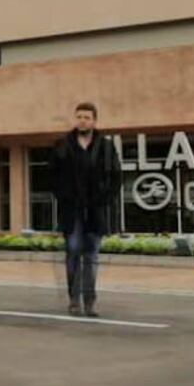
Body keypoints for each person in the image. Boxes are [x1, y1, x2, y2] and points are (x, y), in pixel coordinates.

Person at [47, 101, 120, 317]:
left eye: (87, 117)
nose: (82, 120)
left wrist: (104, 198)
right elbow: (52, 176)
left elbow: (116, 176)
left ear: (94, 121)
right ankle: (74, 300)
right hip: (72, 210)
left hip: (96, 210)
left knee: (92, 256)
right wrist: (64, 196)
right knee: (73, 253)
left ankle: (89, 302)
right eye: (79, 116)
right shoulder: (62, 145)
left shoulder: (106, 146)